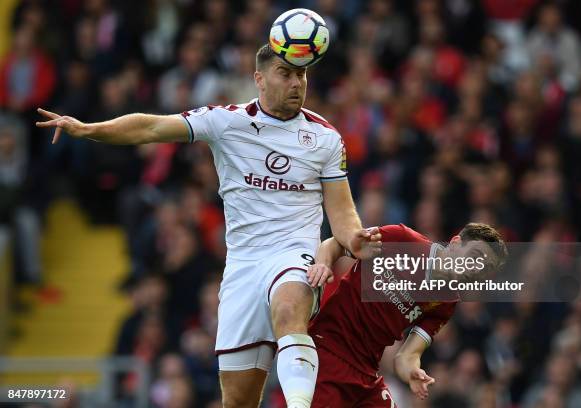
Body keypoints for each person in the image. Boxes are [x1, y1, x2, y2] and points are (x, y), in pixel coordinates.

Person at [36, 44, 381, 408]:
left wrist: (352, 237)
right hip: (243, 269)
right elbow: (151, 127)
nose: (297, 83)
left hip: (294, 255)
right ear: (259, 80)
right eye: (286, 74)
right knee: (237, 400)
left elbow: (342, 214)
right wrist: (90, 128)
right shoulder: (226, 121)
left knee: (289, 305)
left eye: (302, 75)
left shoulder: (325, 138)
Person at [305, 222, 507, 407]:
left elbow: (407, 355)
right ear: (455, 243)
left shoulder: (446, 302)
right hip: (328, 350)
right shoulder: (401, 239)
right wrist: (322, 264)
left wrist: (412, 372)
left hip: (367, 372)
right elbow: (336, 243)